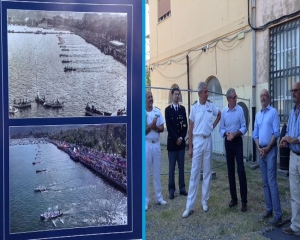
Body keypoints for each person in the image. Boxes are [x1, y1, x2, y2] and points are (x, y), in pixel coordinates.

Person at [182, 82, 221, 218]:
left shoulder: (211, 106)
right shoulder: (194, 108)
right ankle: (190, 206)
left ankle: (205, 201)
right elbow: (190, 128)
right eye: (205, 91)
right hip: (198, 141)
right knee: (194, 173)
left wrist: (212, 126)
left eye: (207, 91)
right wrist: (190, 147)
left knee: (207, 172)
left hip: (208, 139)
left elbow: (219, 114)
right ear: (199, 93)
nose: (207, 93)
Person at [253, 89, 282, 225]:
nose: (263, 98)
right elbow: (255, 134)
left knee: (271, 182)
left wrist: (267, 148)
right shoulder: (258, 115)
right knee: (265, 183)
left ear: (268, 98)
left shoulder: (273, 112)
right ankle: (269, 209)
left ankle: (278, 215)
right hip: (262, 152)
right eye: (261, 96)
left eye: (265, 96)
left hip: (270, 151)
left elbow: (276, 133)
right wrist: (259, 149)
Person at [219, 88, 248, 212]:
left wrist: (235, 134)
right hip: (228, 142)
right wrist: (226, 134)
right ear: (228, 99)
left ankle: (244, 201)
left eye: (236, 97)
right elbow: (221, 129)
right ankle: (234, 198)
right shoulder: (224, 112)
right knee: (230, 171)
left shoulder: (240, 110)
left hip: (237, 142)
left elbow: (244, 126)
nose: (236, 99)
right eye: (234, 97)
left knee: (241, 170)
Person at [280, 82, 300, 236]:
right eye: (292, 90)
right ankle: (295, 226)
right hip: (293, 156)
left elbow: (297, 137)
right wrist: (285, 141)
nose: (293, 93)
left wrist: (291, 139)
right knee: (294, 192)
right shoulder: (292, 112)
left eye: (295, 90)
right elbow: (290, 133)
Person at [165, 87, 188, 200]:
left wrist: (181, 138)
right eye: (175, 94)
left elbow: (185, 126)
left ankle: (182, 188)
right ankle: (171, 190)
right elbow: (169, 127)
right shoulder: (167, 110)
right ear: (172, 95)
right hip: (173, 144)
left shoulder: (182, 109)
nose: (177, 96)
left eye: (179, 94)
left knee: (181, 168)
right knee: (171, 168)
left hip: (181, 144)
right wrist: (176, 139)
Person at [145, 90, 167, 211]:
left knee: (157, 172)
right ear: (144, 100)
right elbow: (143, 131)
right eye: (148, 97)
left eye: (151, 96)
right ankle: (146, 201)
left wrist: (156, 128)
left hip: (157, 144)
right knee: (147, 173)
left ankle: (159, 197)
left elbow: (162, 128)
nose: (150, 99)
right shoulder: (142, 113)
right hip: (147, 145)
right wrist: (150, 126)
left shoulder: (157, 111)